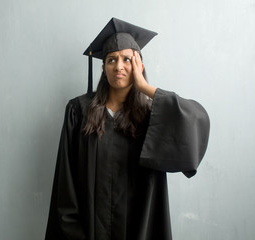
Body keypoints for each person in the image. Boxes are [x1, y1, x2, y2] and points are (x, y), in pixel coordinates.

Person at [45, 17, 210, 240]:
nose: (119, 66)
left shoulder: (153, 115)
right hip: (88, 232)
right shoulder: (79, 111)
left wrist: (145, 87)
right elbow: (66, 182)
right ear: (103, 67)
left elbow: (195, 118)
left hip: (140, 229)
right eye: (111, 60)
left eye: (127, 59)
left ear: (139, 65)